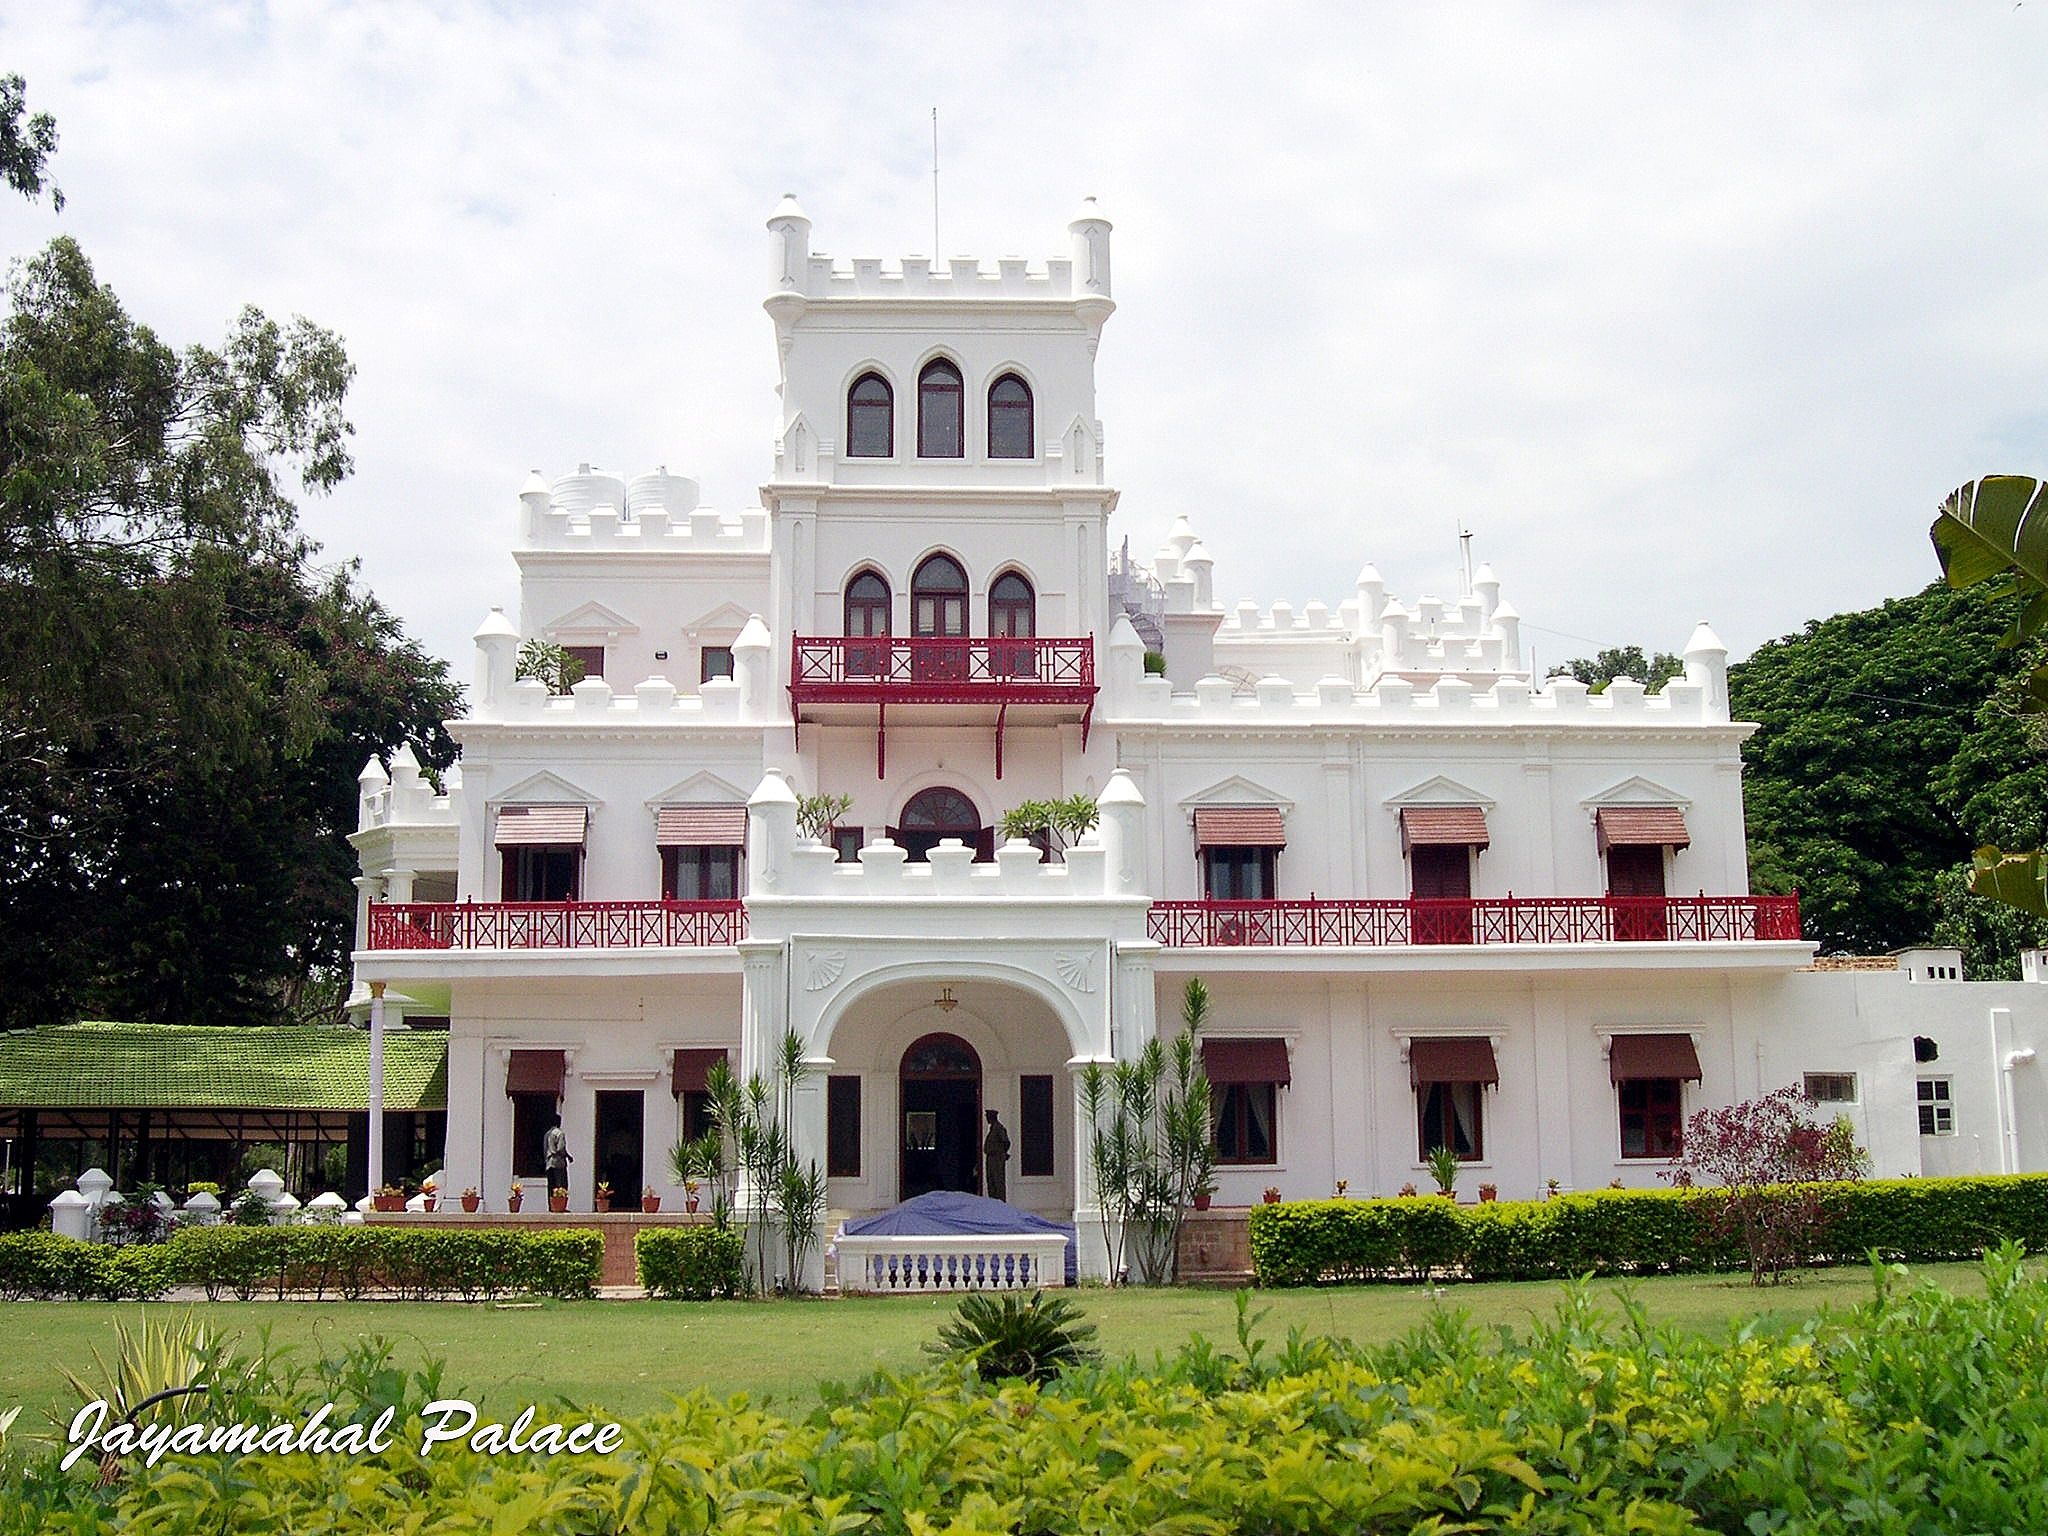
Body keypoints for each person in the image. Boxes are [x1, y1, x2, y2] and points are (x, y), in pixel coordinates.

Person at [982, 1109, 1011, 1203]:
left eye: (987, 1116)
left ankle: (1000, 1204)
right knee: (991, 1182)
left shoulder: (999, 1128)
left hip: (996, 1159)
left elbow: (1006, 1142)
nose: (986, 1118)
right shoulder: (993, 1128)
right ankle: (993, 1203)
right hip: (991, 1158)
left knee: (998, 1182)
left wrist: (1002, 1153)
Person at [543, 1115, 572, 1199]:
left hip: (549, 1162)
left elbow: (545, 1149)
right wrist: (567, 1156)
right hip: (558, 1162)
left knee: (551, 1186)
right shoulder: (559, 1133)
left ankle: (551, 1206)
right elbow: (560, 1148)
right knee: (561, 1185)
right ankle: (559, 1206)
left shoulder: (547, 1134)